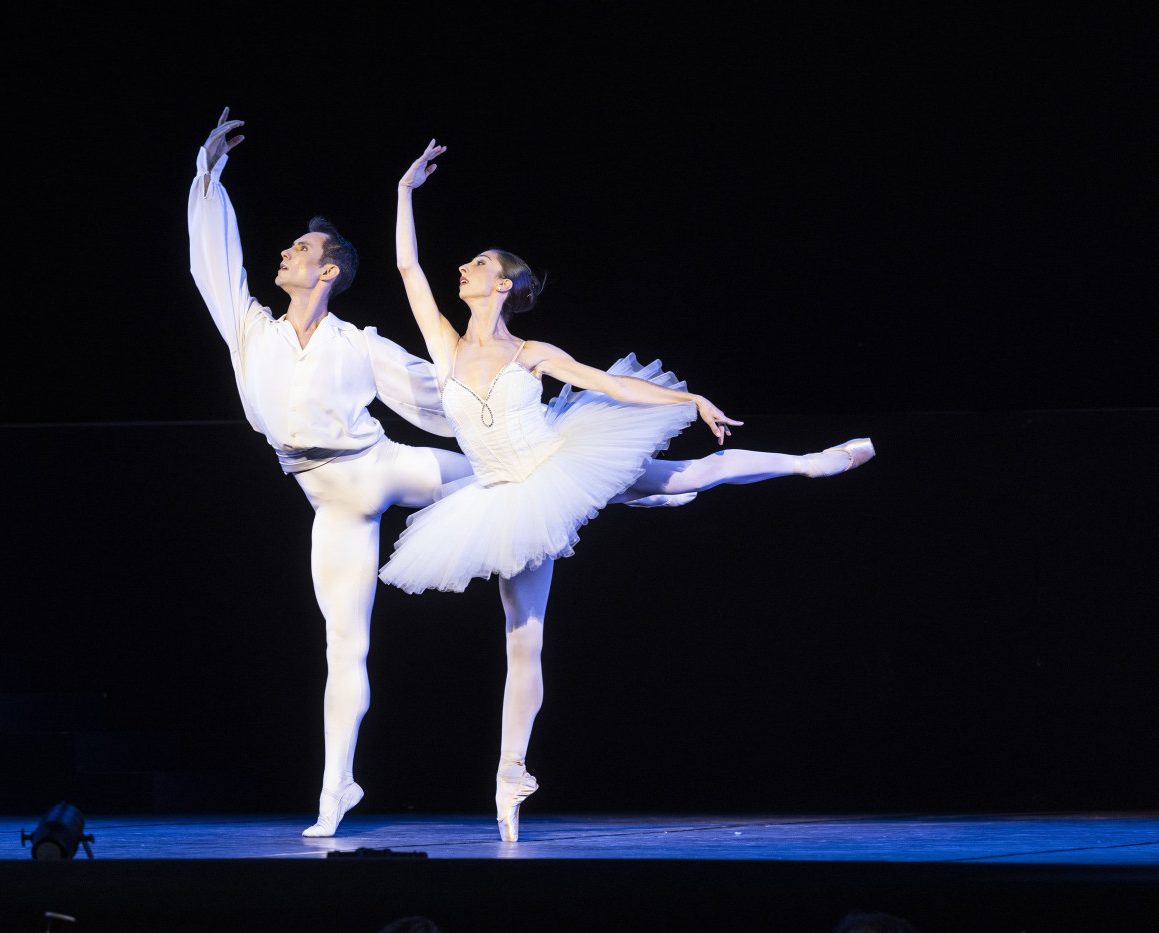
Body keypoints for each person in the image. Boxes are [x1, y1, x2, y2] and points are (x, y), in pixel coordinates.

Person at [380, 141, 875, 841]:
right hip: (504, 499)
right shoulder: (443, 341)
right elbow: (406, 264)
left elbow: (609, 385)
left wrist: (690, 397)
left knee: (690, 473)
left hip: (562, 465)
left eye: (478, 264)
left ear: (502, 286)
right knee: (523, 641)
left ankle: (810, 464)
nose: (463, 268)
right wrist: (404, 188)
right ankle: (509, 776)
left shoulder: (534, 353)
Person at [188, 109, 472, 837]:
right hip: (332, 506)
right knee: (344, 643)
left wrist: (501, 405)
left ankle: (637, 477)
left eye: (301, 246)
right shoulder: (252, 330)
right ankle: (335, 789)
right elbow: (212, 263)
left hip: (382, 466)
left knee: (506, 469)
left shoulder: (358, 343)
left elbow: (432, 392)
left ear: (329, 269)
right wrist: (209, 172)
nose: (287, 250)